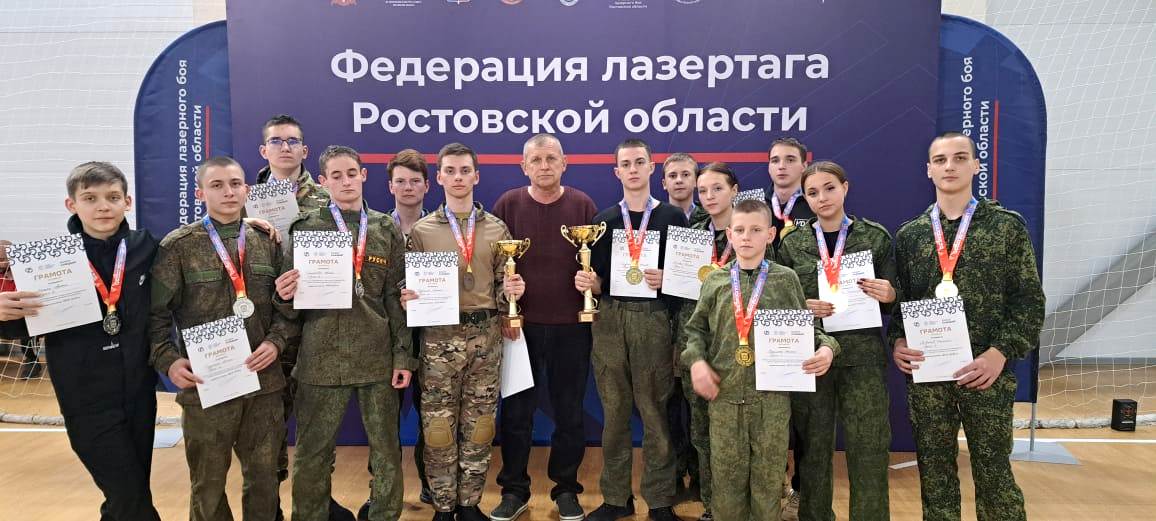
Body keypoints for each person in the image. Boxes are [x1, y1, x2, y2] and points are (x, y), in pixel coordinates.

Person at [889, 132, 1045, 521]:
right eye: (940, 160)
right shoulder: (911, 235)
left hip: (986, 373)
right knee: (935, 477)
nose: (950, 166)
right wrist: (898, 341)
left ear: (976, 165)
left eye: (960, 158)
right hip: (929, 377)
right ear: (928, 170)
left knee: (995, 478)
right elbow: (902, 304)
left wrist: (999, 354)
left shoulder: (1006, 228)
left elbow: (1029, 302)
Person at [0, 162, 162, 521]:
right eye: (90, 198)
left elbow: (193, 248)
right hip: (85, 399)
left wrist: (250, 224)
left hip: (139, 392)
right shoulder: (48, 261)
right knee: (129, 496)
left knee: (128, 495)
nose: (103, 206)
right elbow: (18, 326)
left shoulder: (145, 247)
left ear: (127, 202)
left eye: (113, 197)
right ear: (71, 204)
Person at [275, 146, 414, 521]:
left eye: (352, 173)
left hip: (376, 357)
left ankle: (384, 514)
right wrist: (283, 294)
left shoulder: (384, 228)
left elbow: (395, 299)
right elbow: (288, 307)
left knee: (386, 450)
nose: (346, 181)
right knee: (313, 452)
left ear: (363, 175)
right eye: (336, 176)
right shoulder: (305, 228)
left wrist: (403, 356)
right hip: (320, 358)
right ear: (323, 182)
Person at [150, 156, 292, 521]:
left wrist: (276, 341)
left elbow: (287, 307)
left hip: (263, 384)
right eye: (217, 185)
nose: (228, 192)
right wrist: (168, 360)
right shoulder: (178, 246)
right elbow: (155, 315)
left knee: (264, 480)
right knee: (208, 485)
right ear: (200, 193)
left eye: (235, 183)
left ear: (247, 189)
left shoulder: (267, 242)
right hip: (207, 385)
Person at [682, 199, 838, 521]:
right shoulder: (715, 281)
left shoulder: (785, 279)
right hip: (724, 401)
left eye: (755, 230)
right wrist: (696, 361)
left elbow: (808, 329)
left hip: (772, 403)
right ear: (729, 234)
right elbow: (695, 331)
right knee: (726, 490)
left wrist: (826, 349)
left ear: (770, 234)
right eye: (739, 230)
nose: (746, 237)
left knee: (767, 489)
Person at [404, 142, 522, 521]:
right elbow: (407, 283)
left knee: (480, 425)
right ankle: (443, 505)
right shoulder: (422, 231)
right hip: (439, 339)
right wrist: (407, 296)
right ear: (438, 178)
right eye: (450, 171)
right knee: (438, 427)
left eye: (465, 170)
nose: (458, 177)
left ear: (476, 176)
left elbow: (503, 284)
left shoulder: (497, 229)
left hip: (486, 338)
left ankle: (469, 504)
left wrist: (513, 291)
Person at [776, 161, 896, 521]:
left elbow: (900, 298)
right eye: (812, 192)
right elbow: (778, 301)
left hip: (863, 358)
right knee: (812, 449)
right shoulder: (792, 244)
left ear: (845, 187)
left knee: (869, 447)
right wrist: (801, 305)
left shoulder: (875, 237)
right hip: (813, 357)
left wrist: (891, 294)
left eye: (829, 188)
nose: (822, 198)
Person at [577, 138, 687, 521]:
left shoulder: (673, 217)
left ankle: (660, 500)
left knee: (656, 414)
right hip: (610, 319)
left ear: (652, 167)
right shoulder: (603, 221)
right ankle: (615, 498)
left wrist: (669, 278)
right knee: (614, 414)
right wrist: (591, 284)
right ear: (617, 171)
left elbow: (689, 279)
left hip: (654, 319)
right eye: (626, 164)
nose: (634, 169)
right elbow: (599, 280)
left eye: (640, 162)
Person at [490, 133, 598, 521]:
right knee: (516, 414)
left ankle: (566, 489)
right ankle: (514, 490)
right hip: (521, 329)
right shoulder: (508, 205)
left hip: (572, 328)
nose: (544, 165)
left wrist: (594, 284)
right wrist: (504, 302)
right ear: (524, 167)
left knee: (570, 414)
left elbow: (598, 268)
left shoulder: (583, 205)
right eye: (536, 160)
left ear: (564, 163)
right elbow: (494, 267)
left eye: (551, 158)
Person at [253, 113, 344, 519]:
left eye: (292, 141)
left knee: (318, 423)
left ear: (305, 150)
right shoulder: (242, 200)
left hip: (315, 326)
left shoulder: (329, 198)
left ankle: (317, 501)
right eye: (277, 141)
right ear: (264, 150)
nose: (285, 147)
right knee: (267, 425)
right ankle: (267, 504)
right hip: (264, 326)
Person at [356, 148, 434, 520]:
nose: (408, 187)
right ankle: (382, 491)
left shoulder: (440, 229)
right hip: (386, 339)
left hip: (432, 335)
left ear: (427, 186)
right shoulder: (372, 231)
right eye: (400, 181)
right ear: (389, 186)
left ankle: (433, 484)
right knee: (383, 421)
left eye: (415, 181)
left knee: (432, 416)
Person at [672, 161, 744, 521]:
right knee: (702, 431)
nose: (710, 196)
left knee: (737, 434)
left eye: (718, 188)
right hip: (696, 346)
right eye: (703, 191)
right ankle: (714, 507)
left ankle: (741, 507)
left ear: (734, 191)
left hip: (737, 348)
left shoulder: (748, 231)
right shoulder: (691, 234)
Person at [763, 136, 815, 519]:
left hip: (806, 325)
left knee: (804, 420)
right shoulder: (753, 208)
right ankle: (775, 489)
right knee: (770, 417)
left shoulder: (816, 204)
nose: (782, 166)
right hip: (761, 324)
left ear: (803, 164)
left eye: (789, 159)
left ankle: (800, 491)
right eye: (775, 160)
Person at [662, 152, 709, 225]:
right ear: (664, 184)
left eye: (685, 175)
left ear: (696, 181)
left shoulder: (709, 217)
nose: (679, 180)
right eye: (673, 176)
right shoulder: (654, 218)